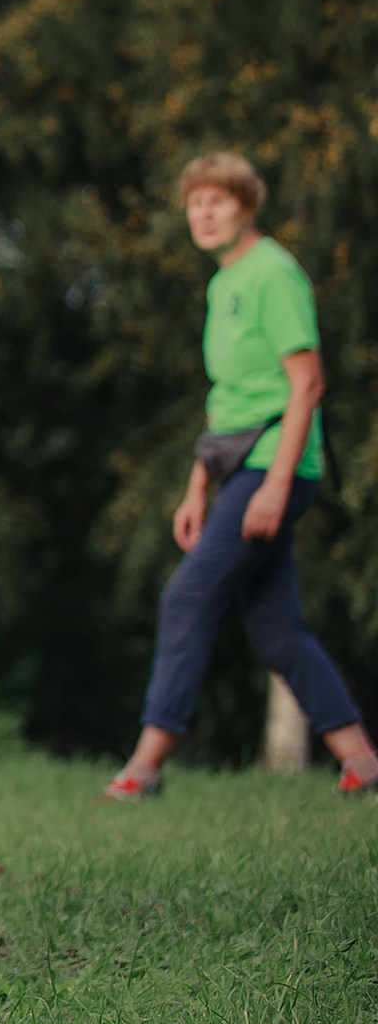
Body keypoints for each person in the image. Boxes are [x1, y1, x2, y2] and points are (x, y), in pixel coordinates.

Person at [105, 152, 377, 800]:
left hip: (275, 464)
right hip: (239, 467)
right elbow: (228, 399)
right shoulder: (223, 282)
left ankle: (144, 767)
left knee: (186, 597)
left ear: (247, 205)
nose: (204, 214)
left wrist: (277, 484)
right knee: (276, 628)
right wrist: (196, 487)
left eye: (218, 201)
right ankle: (363, 762)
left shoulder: (273, 273)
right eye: (195, 203)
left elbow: (307, 383)